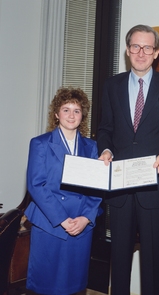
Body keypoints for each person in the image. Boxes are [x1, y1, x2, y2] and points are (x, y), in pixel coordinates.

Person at [97, 24, 159, 295]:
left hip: (156, 186)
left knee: (153, 263)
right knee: (120, 260)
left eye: (147, 47)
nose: (141, 52)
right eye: (135, 46)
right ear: (128, 50)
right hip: (121, 190)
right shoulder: (112, 85)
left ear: (156, 52)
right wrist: (105, 150)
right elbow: (105, 129)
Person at [25, 87, 103, 295]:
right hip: (50, 222)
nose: (71, 115)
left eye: (76, 111)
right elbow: (36, 185)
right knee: (47, 283)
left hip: (80, 224)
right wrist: (61, 219)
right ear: (56, 114)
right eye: (66, 109)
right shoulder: (40, 143)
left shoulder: (91, 146)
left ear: (82, 115)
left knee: (74, 284)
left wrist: (86, 218)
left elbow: (96, 186)